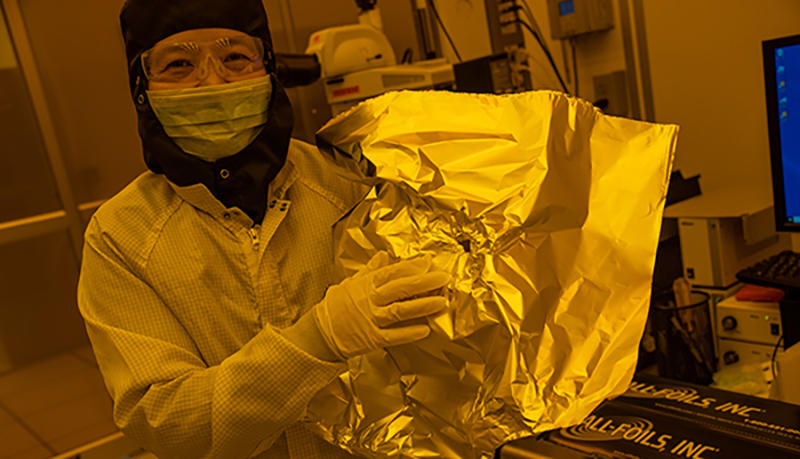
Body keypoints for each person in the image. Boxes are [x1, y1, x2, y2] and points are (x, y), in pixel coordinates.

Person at [76, 1, 451, 457]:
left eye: (235, 58)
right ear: (142, 87)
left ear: (269, 69)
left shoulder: (348, 181)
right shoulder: (121, 237)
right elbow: (166, 423)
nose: (213, 82)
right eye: (179, 64)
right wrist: (319, 340)